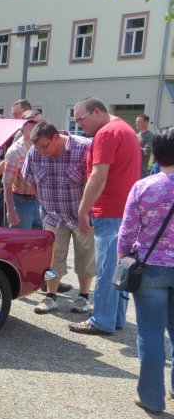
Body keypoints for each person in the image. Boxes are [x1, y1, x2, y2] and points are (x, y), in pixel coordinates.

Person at [69, 96, 141, 335]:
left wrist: (82, 209)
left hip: (109, 211)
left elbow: (98, 176)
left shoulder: (107, 133)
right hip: (123, 211)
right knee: (118, 270)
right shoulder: (124, 128)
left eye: (81, 118)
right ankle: (115, 318)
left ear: (97, 112)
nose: (79, 124)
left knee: (108, 270)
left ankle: (101, 320)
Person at [118, 126, 174, 413]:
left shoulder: (144, 186)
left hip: (150, 267)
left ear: (155, 153)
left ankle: (152, 398)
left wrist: (123, 257)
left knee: (151, 334)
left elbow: (127, 231)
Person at [25, 121, 96, 315]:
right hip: (53, 216)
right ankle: (51, 297)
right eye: (37, 148)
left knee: (85, 257)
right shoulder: (35, 152)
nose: (41, 151)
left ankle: (83, 298)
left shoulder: (84, 148)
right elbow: (30, 178)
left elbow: (97, 181)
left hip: (81, 216)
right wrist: (43, 202)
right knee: (53, 258)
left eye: (44, 146)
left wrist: (88, 211)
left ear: (55, 137)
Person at [3, 110, 43, 230]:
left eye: (41, 122)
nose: (40, 127)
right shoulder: (16, 151)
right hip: (22, 203)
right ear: (25, 126)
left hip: (40, 201)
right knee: (21, 242)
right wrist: (10, 210)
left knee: (38, 242)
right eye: (35, 123)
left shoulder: (42, 146)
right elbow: (7, 182)